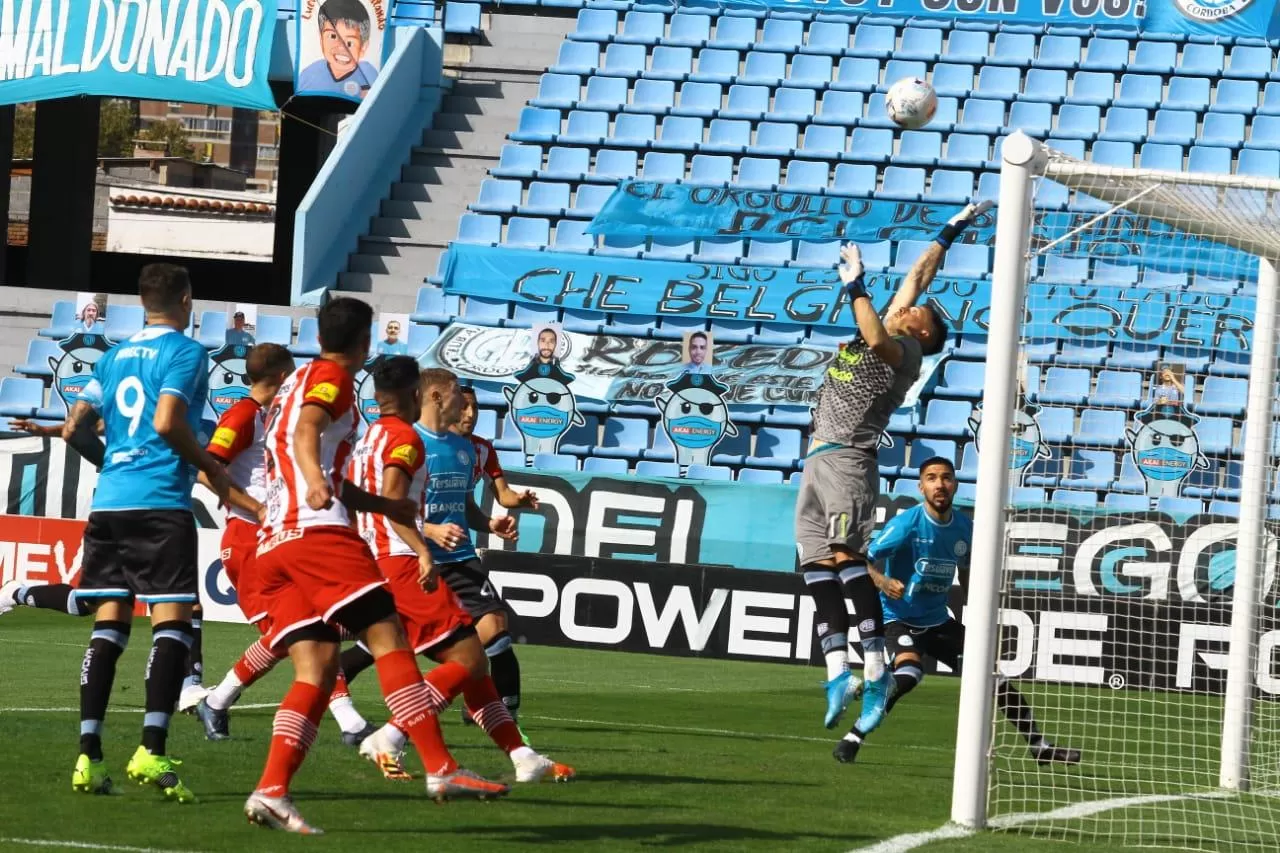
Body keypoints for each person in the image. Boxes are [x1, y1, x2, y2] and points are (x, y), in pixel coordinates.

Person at [244, 297, 507, 835]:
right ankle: (441, 766)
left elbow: (308, 450)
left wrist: (385, 506)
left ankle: (272, 790)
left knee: (316, 669)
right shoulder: (333, 379)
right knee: (388, 637)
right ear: (365, 342)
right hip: (317, 533)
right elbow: (306, 434)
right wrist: (316, 479)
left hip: (272, 539)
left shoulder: (291, 382)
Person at [796, 200, 991, 737]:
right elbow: (917, 275)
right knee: (814, 563)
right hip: (817, 456)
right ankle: (839, 671)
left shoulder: (901, 349)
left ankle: (876, 666)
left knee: (844, 555)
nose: (905, 308)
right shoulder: (899, 326)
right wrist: (949, 230)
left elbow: (878, 335)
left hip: (848, 459)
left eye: (914, 313)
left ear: (922, 335)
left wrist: (855, 285)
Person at [343, 358, 573, 784]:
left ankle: (523, 756)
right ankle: (392, 737)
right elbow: (393, 502)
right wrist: (422, 546)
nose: (464, 406)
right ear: (431, 395)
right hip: (403, 560)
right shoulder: (406, 439)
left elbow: (358, 495)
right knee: (467, 658)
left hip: (387, 557)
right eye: (456, 397)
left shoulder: (372, 436)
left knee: (472, 663)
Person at [62, 263, 232, 802]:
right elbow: (166, 421)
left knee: (109, 627)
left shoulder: (112, 357)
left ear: (142, 303)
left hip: (109, 502)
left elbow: (74, 427)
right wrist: (211, 469)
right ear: (186, 299)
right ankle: (151, 749)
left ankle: (88, 757)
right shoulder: (186, 352)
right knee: (172, 626)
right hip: (159, 503)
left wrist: (112, 462)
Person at [833, 455, 1081, 767]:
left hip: (938, 621)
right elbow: (860, 559)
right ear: (921, 486)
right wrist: (881, 580)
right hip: (899, 619)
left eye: (946, 478)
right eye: (932, 478)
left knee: (994, 678)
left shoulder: (965, 528)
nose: (940, 484)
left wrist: (975, 614)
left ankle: (1040, 747)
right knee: (909, 675)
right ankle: (854, 736)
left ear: (955, 484)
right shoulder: (906, 524)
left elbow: (967, 573)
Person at [296, 0, 378, 99]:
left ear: (363, 48)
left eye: (349, 43)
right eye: (333, 36)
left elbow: (371, 103)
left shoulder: (367, 73)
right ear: (321, 39)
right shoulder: (310, 74)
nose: (341, 47)